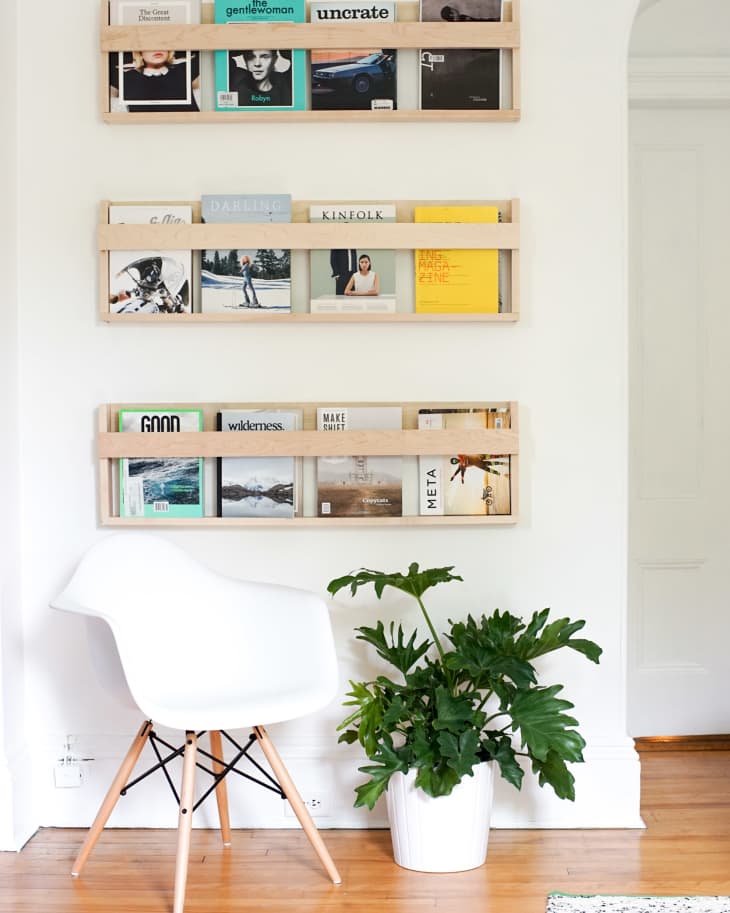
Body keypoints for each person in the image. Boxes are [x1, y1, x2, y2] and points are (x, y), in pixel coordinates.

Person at [110, 50, 200, 112]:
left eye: (162, 44)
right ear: (140, 52)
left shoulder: (185, 69)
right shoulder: (125, 77)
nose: (157, 49)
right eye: (150, 45)